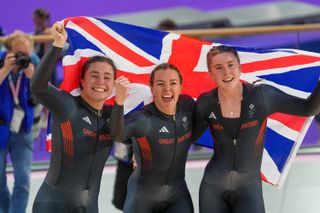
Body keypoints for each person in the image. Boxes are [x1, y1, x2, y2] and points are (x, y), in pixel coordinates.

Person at [194, 45, 320, 213]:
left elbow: (307, 108)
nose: (226, 72)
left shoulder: (262, 96)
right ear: (210, 74)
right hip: (213, 187)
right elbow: (185, 137)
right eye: (218, 68)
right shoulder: (205, 102)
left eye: (231, 65)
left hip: (248, 188)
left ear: (240, 67)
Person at [30, 21, 123, 213]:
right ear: (82, 80)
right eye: (94, 76)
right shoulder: (68, 106)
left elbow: (130, 134)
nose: (101, 82)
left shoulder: (113, 114)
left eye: (107, 77)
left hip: (89, 206)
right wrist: (57, 45)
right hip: (53, 203)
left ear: (114, 84)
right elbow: (38, 87)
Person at [110, 63, 195, 213]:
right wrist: (119, 102)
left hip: (177, 193)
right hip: (142, 193)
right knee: (119, 199)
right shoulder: (142, 119)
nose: (167, 88)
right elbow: (118, 134)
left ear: (181, 86)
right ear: (152, 88)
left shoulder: (187, 106)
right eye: (160, 83)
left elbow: (202, 124)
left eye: (173, 83)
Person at [0, 31, 40, 213]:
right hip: (0, 129)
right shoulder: (2, 61)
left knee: (23, 181)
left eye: (26, 53)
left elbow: (45, 93)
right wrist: (5, 70)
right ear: (7, 51)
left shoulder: (33, 62)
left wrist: (35, 77)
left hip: (23, 129)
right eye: (18, 54)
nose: (23, 58)